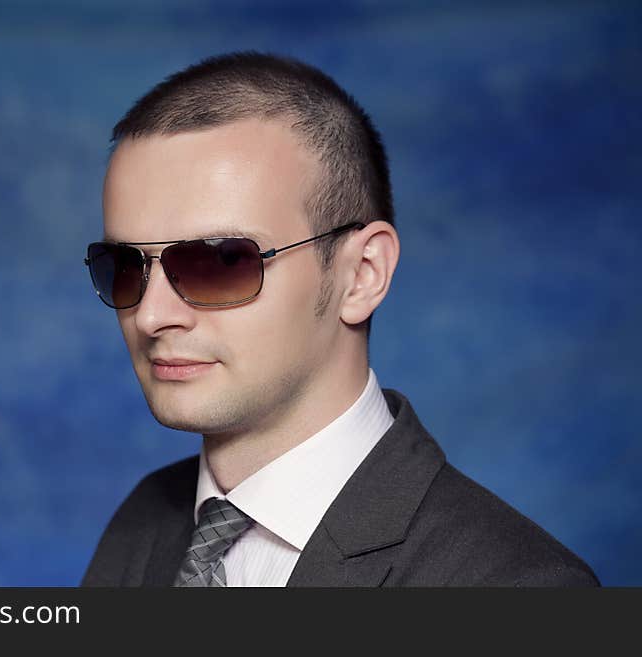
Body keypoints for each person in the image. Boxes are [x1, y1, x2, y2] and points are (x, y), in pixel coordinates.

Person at [80, 52, 599, 587]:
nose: (150, 315)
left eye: (220, 261)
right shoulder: (139, 530)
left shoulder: (520, 588)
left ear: (362, 274)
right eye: (123, 267)